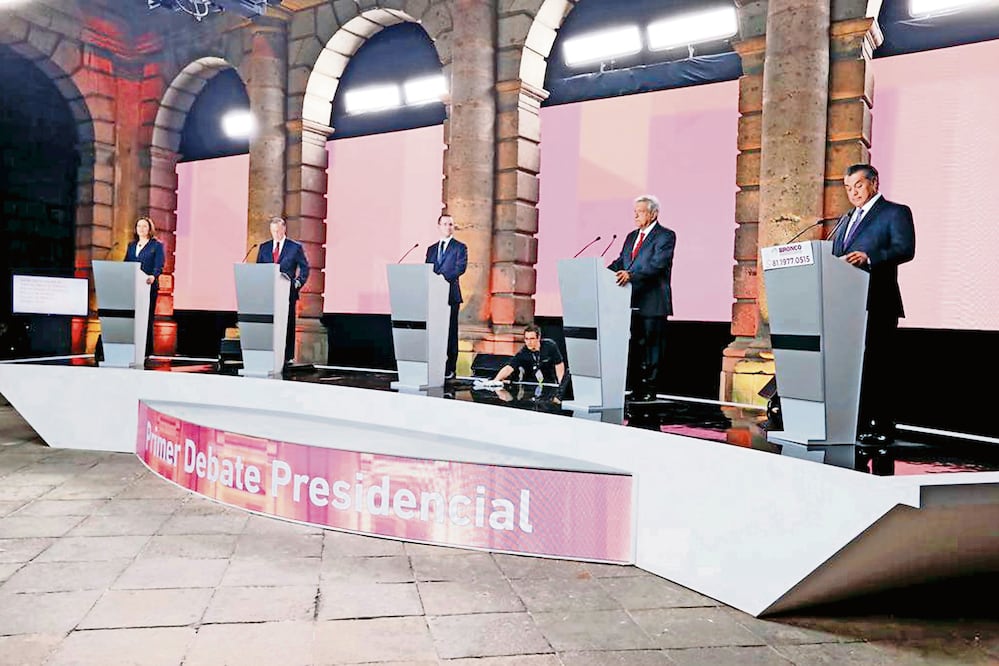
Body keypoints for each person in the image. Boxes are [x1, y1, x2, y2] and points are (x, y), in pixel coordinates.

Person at [832, 164, 915, 445]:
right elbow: (834, 255)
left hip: (878, 301)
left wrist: (869, 257)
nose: (853, 192)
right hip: (846, 306)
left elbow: (905, 248)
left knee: (878, 366)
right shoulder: (845, 219)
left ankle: (881, 425)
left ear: (874, 183)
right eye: (848, 188)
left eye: (858, 185)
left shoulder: (895, 212)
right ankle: (854, 423)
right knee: (851, 367)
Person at [608, 195, 676, 402]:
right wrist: (601, 272)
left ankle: (649, 388)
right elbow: (622, 261)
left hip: (653, 301)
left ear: (653, 213)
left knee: (651, 347)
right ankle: (637, 387)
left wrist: (632, 275)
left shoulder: (665, 236)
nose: (635, 215)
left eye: (641, 211)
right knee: (636, 346)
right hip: (630, 300)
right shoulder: (631, 236)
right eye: (634, 211)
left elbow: (658, 264)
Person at [257, 216, 309, 363]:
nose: (276, 234)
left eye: (279, 231)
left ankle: (287, 357)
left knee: (287, 324)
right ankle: (267, 354)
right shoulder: (264, 247)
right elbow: (259, 269)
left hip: (287, 293)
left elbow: (305, 267)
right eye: (273, 231)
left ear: (284, 229)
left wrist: (298, 282)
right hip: (268, 294)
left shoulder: (295, 247)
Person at [425, 213, 467, 379]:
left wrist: (441, 279)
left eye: (451, 224)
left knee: (450, 332)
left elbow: (460, 268)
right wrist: (433, 281)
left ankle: (450, 368)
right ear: (439, 226)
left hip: (450, 296)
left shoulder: (460, 247)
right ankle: (434, 367)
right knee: (434, 332)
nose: (448, 227)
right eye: (445, 224)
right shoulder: (431, 249)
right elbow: (427, 269)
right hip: (433, 297)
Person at [124, 216, 165, 357]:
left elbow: (159, 265)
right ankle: (132, 347)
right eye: (139, 226)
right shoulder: (131, 246)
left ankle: (146, 350)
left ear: (149, 229)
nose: (141, 229)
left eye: (144, 226)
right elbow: (126, 264)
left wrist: (153, 276)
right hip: (132, 287)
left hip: (148, 286)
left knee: (146, 318)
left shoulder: (156, 245)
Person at [492, 324, 566, 388]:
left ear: (538, 338)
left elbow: (559, 364)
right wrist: (496, 380)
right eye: (526, 339)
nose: (529, 342)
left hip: (549, 384)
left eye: (532, 339)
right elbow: (509, 368)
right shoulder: (523, 353)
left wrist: (561, 384)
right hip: (532, 386)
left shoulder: (550, 346)